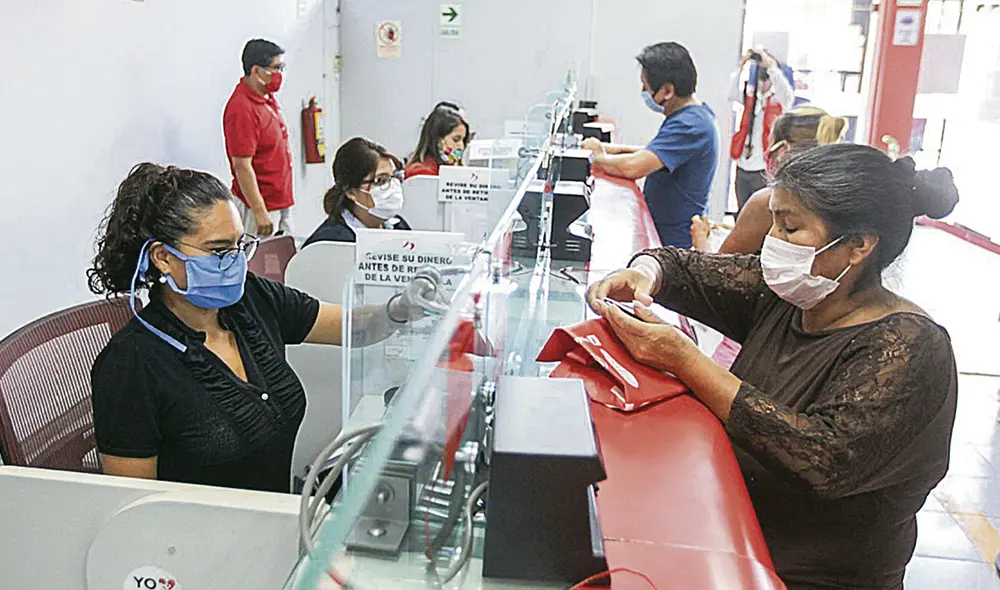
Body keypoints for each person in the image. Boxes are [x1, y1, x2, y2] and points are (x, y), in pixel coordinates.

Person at [588, 143, 960, 589]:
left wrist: (684, 360)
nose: (773, 243)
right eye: (774, 223)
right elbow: (683, 268)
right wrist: (646, 273)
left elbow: (819, 458)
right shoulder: (793, 297)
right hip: (731, 540)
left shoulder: (910, 348)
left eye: (790, 228)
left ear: (859, 245)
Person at [87, 163, 431, 492]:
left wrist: (400, 308)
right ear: (163, 257)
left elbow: (350, 327)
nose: (236, 261)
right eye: (219, 251)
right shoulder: (131, 364)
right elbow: (133, 505)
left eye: (239, 245)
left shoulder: (250, 299)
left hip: (272, 521)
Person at [581, 42, 719, 248]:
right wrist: (609, 148)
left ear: (668, 90)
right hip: (665, 233)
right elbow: (654, 153)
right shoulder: (694, 116)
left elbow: (634, 167)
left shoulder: (690, 125)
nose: (643, 91)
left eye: (646, 86)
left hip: (672, 243)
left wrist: (597, 157)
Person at [692, 106, 847, 253]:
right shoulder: (839, 200)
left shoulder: (772, 203)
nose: (768, 152)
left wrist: (700, 238)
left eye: (770, 142)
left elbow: (716, 273)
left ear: (783, 148)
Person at [223, 39, 294, 238]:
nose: (279, 74)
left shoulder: (266, 98)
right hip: (258, 209)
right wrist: (259, 211)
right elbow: (242, 166)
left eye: (281, 67)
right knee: (258, 264)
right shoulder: (241, 109)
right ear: (256, 71)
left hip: (280, 202)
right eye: (275, 68)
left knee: (282, 262)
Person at [303, 137, 412, 247]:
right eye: (381, 180)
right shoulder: (331, 243)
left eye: (394, 176)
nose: (392, 186)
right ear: (352, 192)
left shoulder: (398, 226)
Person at [728, 49, 795, 210]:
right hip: (743, 165)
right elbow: (730, 94)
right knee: (741, 212)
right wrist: (741, 66)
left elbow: (784, 89)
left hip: (764, 168)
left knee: (760, 214)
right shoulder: (750, 98)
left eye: (767, 78)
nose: (763, 82)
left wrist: (770, 65)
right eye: (761, 77)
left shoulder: (780, 100)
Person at [404, 103, 471, 179]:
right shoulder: (421, 173)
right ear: (438, 140)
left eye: (464, 140)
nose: (461, 147)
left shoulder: (454, 171)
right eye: (456, 139)